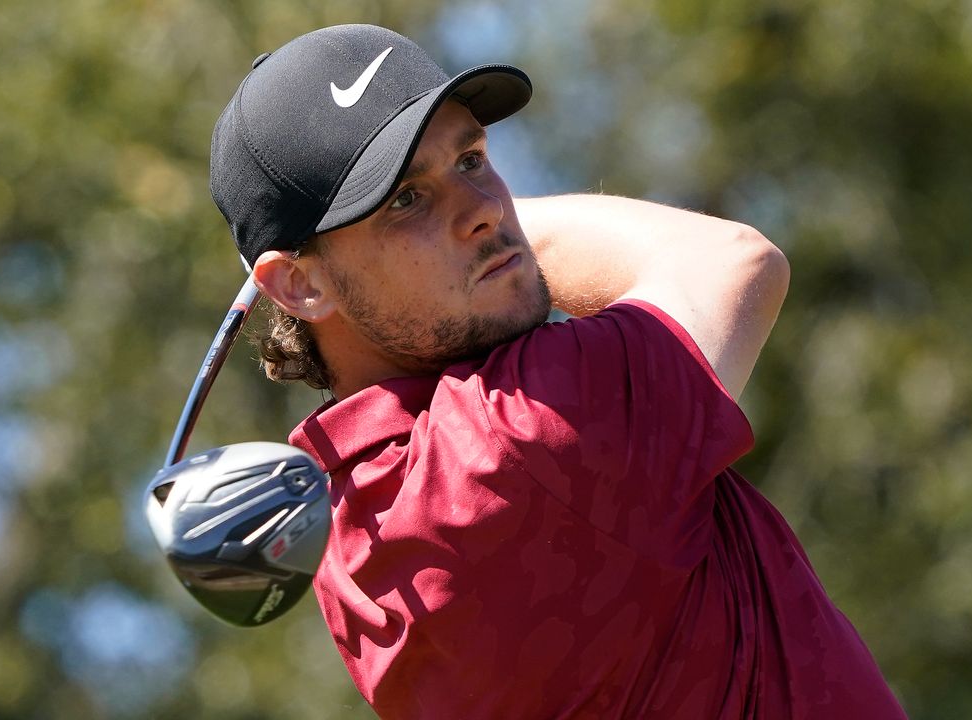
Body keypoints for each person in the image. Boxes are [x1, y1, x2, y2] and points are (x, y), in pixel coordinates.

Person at [209, 23, 908, 720]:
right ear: (299, 286)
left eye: (472, 160)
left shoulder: (352, 543)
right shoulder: (512, 439)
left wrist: (461, 237)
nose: (483, 209)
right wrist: (499, 240)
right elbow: (735, 264)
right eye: (404, 199)